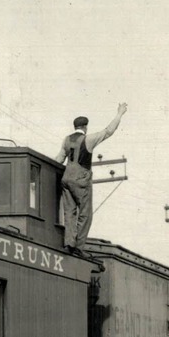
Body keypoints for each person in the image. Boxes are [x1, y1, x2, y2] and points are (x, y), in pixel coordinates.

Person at [56, 103, 126, 252]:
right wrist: (119, 113)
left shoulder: (66, 140)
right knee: (85, 214)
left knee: (69, 213)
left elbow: (59, 159)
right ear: (85, 127)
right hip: (81, 180)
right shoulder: (88, 139)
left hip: (66, 179)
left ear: (75, 126)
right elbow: (108, 131)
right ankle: (79, 247)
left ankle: (69, 244)